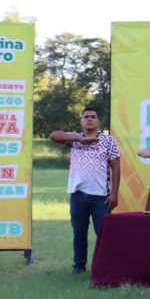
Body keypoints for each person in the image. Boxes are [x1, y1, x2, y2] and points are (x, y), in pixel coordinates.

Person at [49, 106, 121, 274]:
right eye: (86, 116)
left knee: (103, 234)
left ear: (98, 121)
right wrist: (80, 139)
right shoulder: (74, 138)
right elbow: (53, 135)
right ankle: (79, 267)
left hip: (101, 196)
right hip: (78, 195)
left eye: (93, 117)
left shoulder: (108, 141)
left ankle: (105, 268)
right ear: (81, 121)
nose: (89, 119)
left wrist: (114, 194)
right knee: (79, 233)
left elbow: (116, 168)